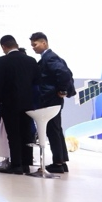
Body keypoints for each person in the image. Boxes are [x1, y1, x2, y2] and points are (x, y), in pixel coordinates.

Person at [0, 34, 39, 175]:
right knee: (26, 133)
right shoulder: (31, 60)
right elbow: (36, 81)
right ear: (16, 45)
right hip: (28, 103)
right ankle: (26, 164)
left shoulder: (2, 61)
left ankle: (16, 164)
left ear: (3, 46)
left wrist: (0, 100)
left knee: (13, 135)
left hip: (9, 103)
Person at [30, 32, 76, 174]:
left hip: (50, 99)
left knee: (53, 130)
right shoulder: (51, 57)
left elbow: (64, 73)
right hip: (53, 99)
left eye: (35, 44)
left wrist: (62, 90)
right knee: (56, 130)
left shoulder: (50, 58)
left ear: (44, 43)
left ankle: (58, 163)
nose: (33, 47)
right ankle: (61, 162)